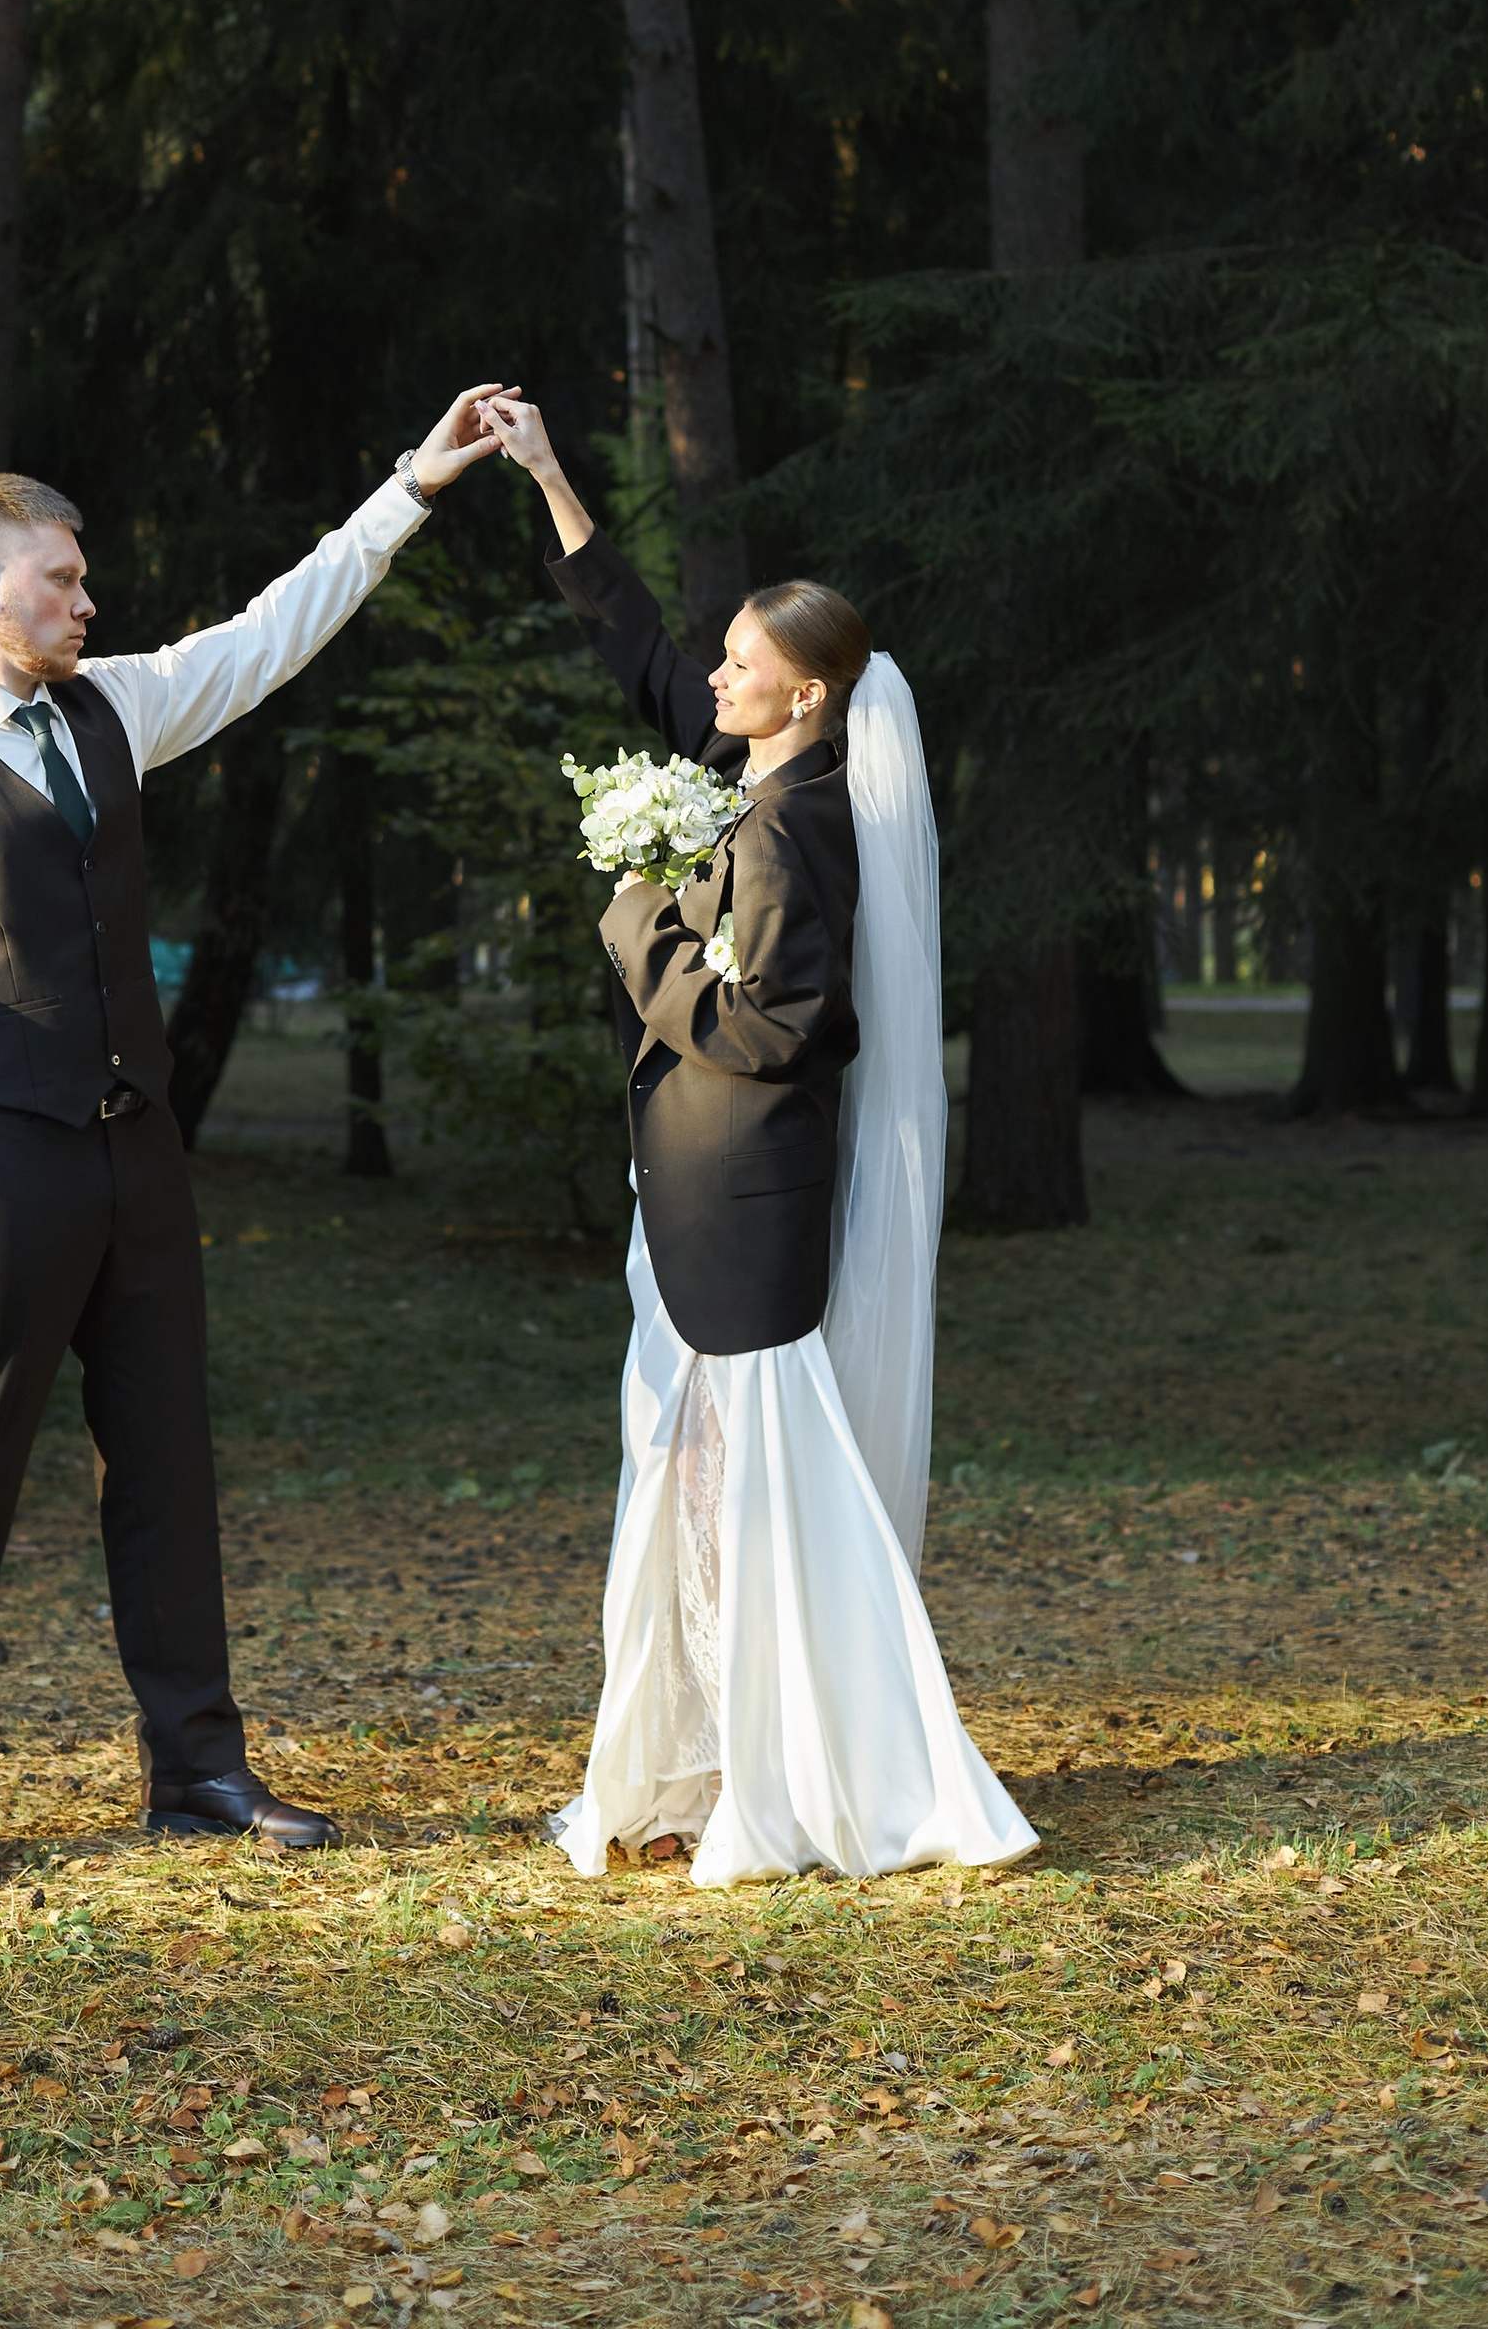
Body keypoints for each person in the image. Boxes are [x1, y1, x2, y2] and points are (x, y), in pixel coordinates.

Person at [0, 390, 504, 1896]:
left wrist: (410, 488)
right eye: (63, 576)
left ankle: (196, 1767)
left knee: (168, 1473)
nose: (88, 598)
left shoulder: (114, 702)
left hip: (138, 1157)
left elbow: (268, 633)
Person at [481, 391, 1035, 1889]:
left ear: (804, 698)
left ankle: (824, 1768)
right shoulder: (756, 773)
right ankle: (729, 1750)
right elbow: (642, 649)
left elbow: (778, 1028)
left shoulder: (796, 828)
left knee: (766, 1490)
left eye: (743, 664)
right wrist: (546, 477)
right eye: (726, 657)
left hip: (747, 1199)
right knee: (699, 1478)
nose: (712, 676)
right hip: (702, 1197)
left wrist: (636, 929)